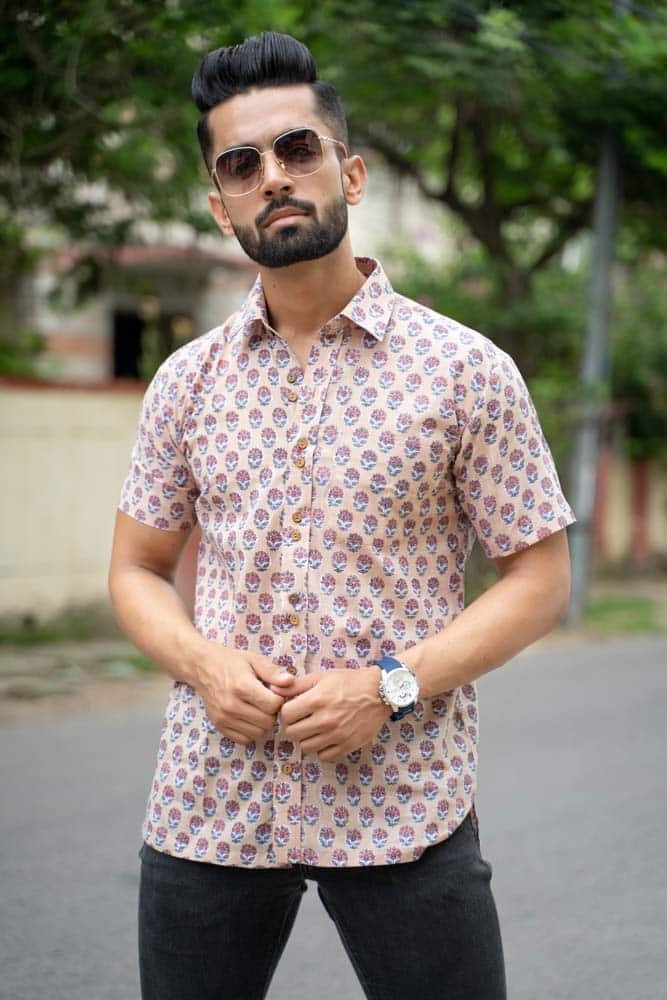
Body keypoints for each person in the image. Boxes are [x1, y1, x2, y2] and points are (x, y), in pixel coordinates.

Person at [108, 31, 574, 1000]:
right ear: (219, 202)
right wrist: (202, 662)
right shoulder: (185, 383)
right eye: (242, 164)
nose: (272, 177)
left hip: (404, 799)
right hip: (212, 798)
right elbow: (137, 568)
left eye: (297, 150)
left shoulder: (463, 370)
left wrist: (390, 687)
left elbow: (539, 577)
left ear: (348, 171)